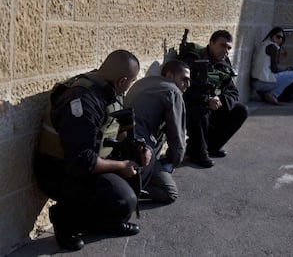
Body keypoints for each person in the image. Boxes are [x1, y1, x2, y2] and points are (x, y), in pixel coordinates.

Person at [34, 50, 152, 251]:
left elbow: (119, 127)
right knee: (124, 200)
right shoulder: (83, 102)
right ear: (122, 80)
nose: (130, 86)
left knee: (143, 164)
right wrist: (121, 166)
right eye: (131, 81)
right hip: (59, 170)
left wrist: (141, 147)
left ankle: (107, 221)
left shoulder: (108, 87)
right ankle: (65, 219)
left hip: (88, 161)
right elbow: (81, 160)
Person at [124, 59, 191, 203]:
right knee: (170, 193)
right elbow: (177, 135)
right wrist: (173, 162)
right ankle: (132, 189)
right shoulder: (173, 91)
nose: (187, 85)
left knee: (159, 135)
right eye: (184, 79)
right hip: (140, 149)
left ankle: (135, 181)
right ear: (170, 76)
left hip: (122, 140)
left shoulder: (145, 82)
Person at [181, 30, 248, 168]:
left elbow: (233, 92)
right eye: (222, 45)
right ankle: (197, 152)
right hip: (193, 106)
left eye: (228, 47)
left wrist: (220, 99)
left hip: (214, 105)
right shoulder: (194, 60)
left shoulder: (224, 62)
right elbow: (185, 90)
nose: (226, 51)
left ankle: (211, 147)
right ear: (211, 43)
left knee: (241, 110)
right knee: (200, 109)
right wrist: (207, 101)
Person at [251, 26, 293, 105]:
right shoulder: (273, 47)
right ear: (272, 35)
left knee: (284, 74)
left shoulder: (263, 44)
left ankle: (266, 93)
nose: (280, 40)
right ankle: (273, 94)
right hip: (261, 83)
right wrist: (286, 71)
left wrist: (279, 60)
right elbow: (274, 69)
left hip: (254, 81)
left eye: (282, 38)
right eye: (278, 36)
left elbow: (267, 65)